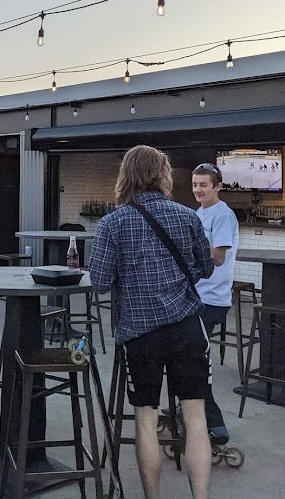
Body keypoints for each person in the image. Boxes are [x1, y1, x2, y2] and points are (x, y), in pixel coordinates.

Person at [89, 145, 214, 499]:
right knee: (196, 417)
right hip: (187, 327)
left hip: (140, 333)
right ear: (163, 174)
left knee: (146, 418)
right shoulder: (187, 216)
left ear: (126, 176)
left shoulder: (112, 223)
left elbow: (99, 282)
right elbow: (206, 267)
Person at [192, 162, 240, 445]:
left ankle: (214, 422)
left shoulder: (223, 215)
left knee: (195, 359)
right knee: (190, 356)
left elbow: (219, 257)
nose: (198, 190)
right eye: (195, 184)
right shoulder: (199, 213)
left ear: (217, 186)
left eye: (203, 185)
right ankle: (192, 410)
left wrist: (189, 246)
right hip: (196, 295)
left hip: (212, 299)